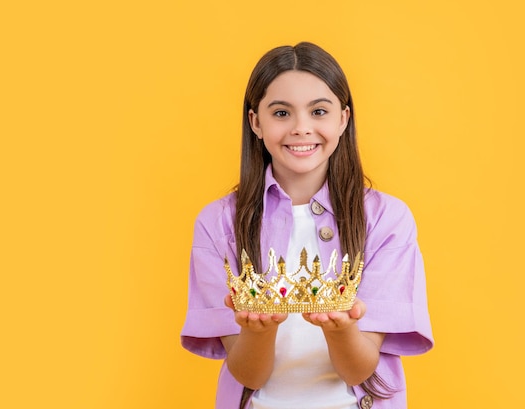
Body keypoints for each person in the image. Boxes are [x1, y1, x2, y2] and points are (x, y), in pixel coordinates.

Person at [181, 42, 434, 409]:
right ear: (256, 122)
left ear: (343, 119)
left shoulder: (386, 220)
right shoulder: (218, 225)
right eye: (281, 113)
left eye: (318, 111)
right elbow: (248, 375)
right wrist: (258, 332)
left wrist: (343, 329)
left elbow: (359, 370)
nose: (302, 128)